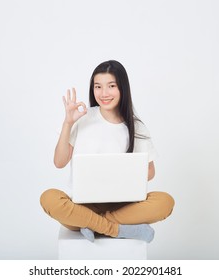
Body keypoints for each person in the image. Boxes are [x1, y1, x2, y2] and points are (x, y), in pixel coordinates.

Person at [40, 60, 174, 243]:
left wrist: (121, 171)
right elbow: (59, 162)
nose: (104, 93)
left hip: (123, 207)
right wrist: (68, 123)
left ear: (122, 88)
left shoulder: (136, 127)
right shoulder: (82, 118)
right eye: (98, 87)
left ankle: (93, 225)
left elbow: (150, 172)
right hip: (83, 205)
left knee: (165, 202)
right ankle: (116, 229)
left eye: (111, 86)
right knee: (49, 198)